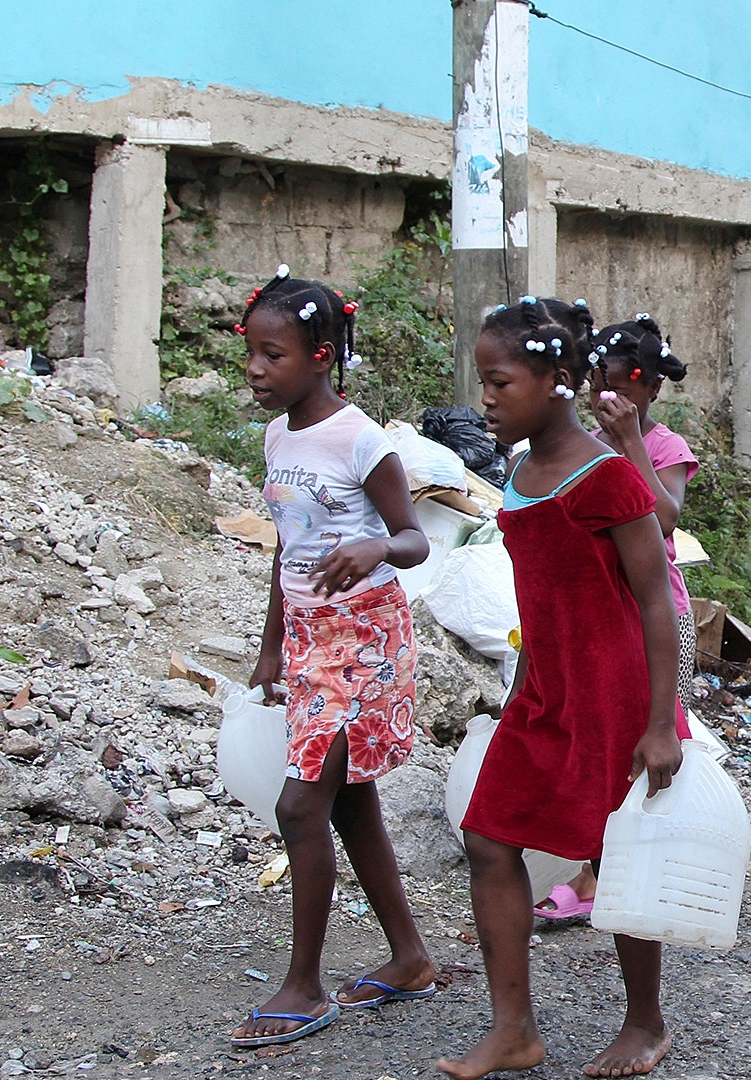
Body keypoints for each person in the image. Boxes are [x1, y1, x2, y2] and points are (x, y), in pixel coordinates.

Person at [441, 297, 685, 1079]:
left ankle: (644, 1023)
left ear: (554, 381)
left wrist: (659, 723)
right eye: (483, 380)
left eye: (499, 381)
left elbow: (654, 600)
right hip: (542, 689)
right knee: (488, 836)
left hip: (611, 695)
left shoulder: (607, 476)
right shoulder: (517, 470)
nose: (486, 397)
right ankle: (514, 1029)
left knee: (614, 855)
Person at [229, 265, 435, 1048]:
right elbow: (286, 544)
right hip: (311, 641)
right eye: (250, 352)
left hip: (367, 639)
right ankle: (410, 956)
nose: (255, 369)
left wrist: (374, 543)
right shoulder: (278, 433)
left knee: (299, 805)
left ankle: (304, 985)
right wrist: (271, 645)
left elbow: (413, 537)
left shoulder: (361, 439)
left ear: (320, 355)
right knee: (347, 802)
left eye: (271, 355)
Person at [530, 312, 698, 924]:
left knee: (652, 742)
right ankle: (598, 871)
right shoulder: (583, 447)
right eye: (604, 379)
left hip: (658, 614)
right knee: (602, 747)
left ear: (652, 387)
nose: (615, 393)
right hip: (601, 618)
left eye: (630, 381)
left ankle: (635, 871)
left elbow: (665, 518)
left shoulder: (662, 446)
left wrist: (628, 442)